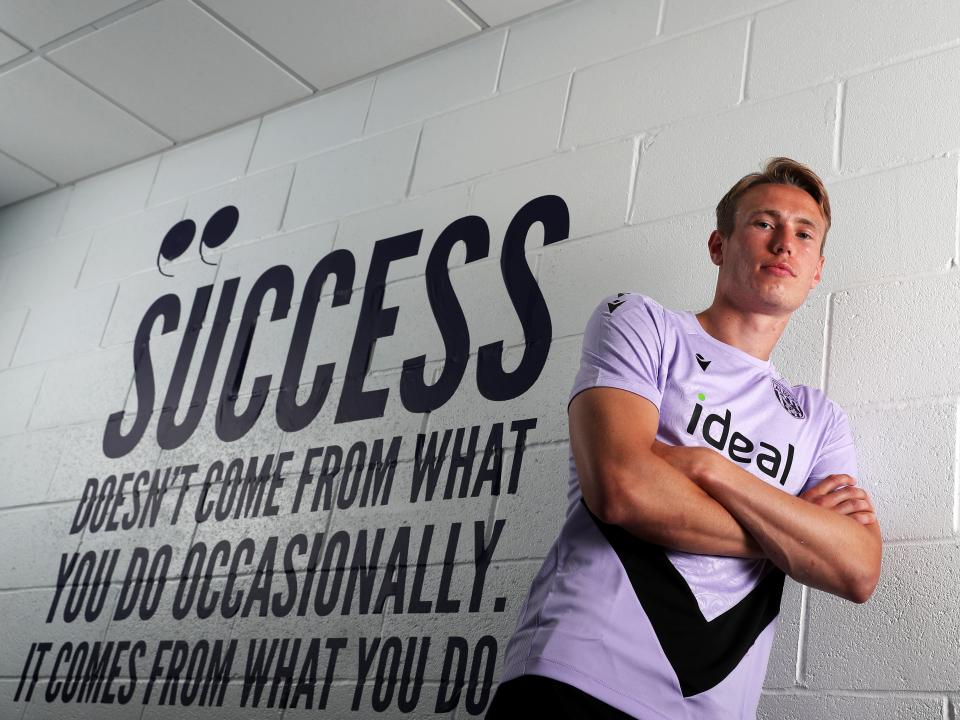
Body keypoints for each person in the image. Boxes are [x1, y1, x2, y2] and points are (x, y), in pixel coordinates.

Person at [486, 157, 882, 719]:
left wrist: (704, 467)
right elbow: (622, 488)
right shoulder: (642, 325)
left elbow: (857, 570)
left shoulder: (821, 419)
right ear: (719, 245)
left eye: (803, 233)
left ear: (817, 269)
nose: (783, 244)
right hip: (577, 679)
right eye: (764, 224)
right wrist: (792, 539)